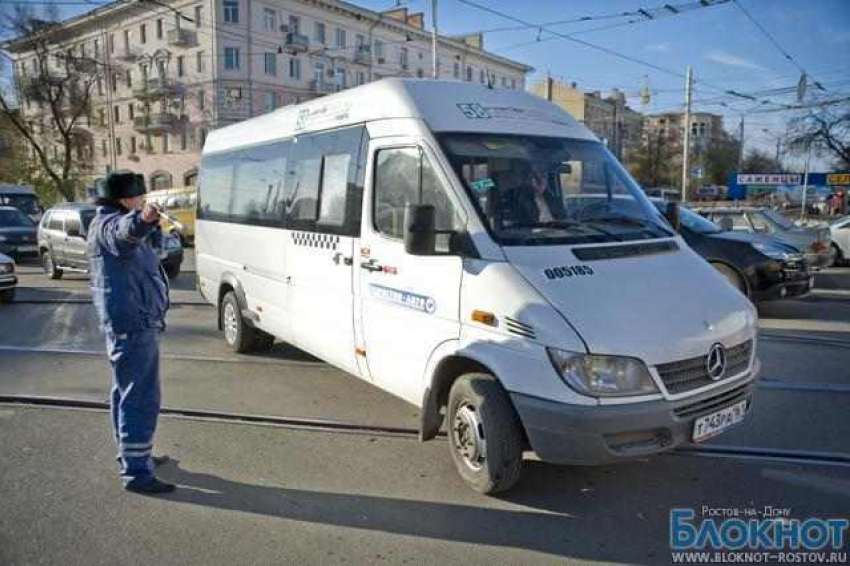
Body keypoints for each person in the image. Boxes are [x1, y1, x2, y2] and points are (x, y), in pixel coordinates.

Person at [88, 171, 174, 494]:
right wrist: (142, 219)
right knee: (139, 398)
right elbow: (124, 233)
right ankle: (137, 472)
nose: (143, 201)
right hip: (134, 324)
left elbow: (145, 252)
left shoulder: (106, 223)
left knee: (124, 392)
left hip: (129, 321)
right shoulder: (110, 224)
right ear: (126, 200)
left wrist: (152, 226)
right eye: (139, 198)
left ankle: (134, 455)